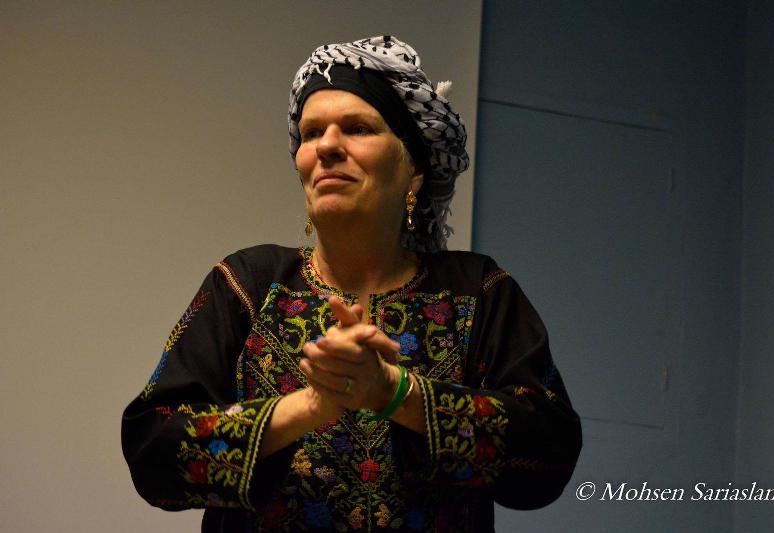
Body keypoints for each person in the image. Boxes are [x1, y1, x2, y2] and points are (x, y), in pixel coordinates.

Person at [122, 35, 581, 532]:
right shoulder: (247, 285)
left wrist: (396, 393)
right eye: (311, 132)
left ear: (415, 171)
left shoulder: (478, 292)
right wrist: (312, 405)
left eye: (358, 128)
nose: (326, 147)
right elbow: (152, 452)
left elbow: (549, 456)